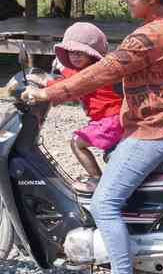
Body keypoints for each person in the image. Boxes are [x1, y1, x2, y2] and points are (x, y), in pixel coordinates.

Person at [22, 0, 163, 274]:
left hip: (153, 131)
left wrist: (49, 94)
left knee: (104, 201)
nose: (126, 1)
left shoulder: (148, 36)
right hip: (162, 123)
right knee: (111, 176)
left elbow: (101, 72)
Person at [41, 23, 123, 185]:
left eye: (80, 53)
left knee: (77, 142)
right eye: (71, 53)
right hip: (114, 119)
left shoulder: (91, 73)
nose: (75, 56)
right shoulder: (95, 69)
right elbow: (70, 78)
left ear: (91, 55)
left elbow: (69, 86)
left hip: (110, 122)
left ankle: (96, 179)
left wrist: (43, 82)